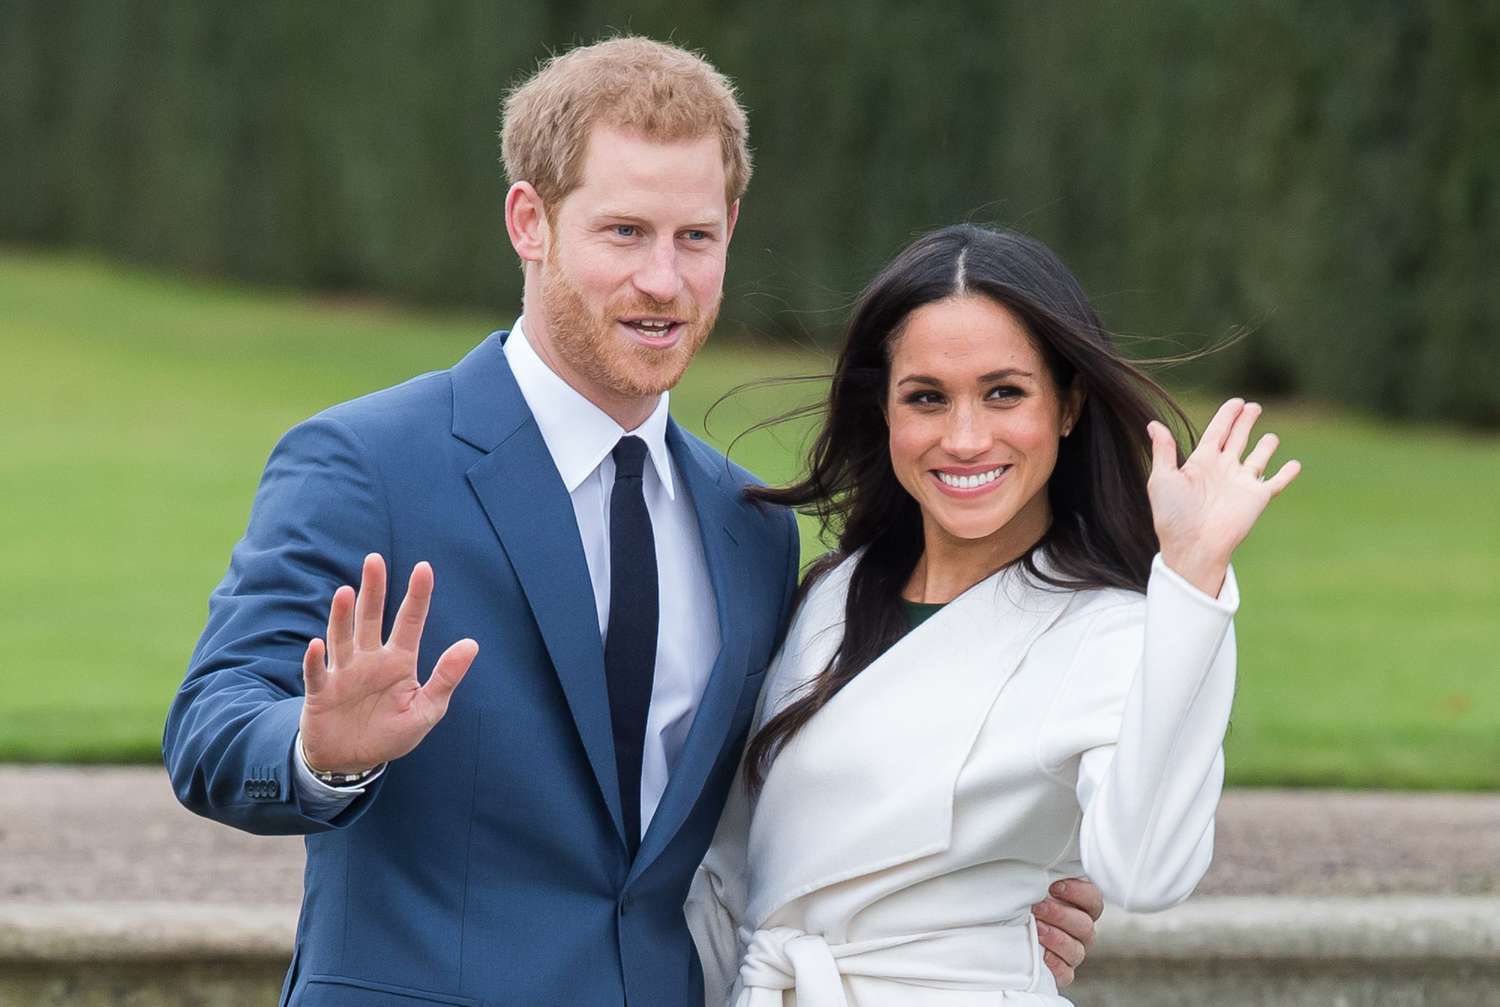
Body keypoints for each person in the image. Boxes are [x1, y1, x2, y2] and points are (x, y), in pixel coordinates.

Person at [161, 41, 1102, 1006]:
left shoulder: (750, 526)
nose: (663, 280)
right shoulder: (367, 463)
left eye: (695, 236)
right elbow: (209, 725)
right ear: (530, 221)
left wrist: (963, 905)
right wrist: (319, 752)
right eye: (624, 232)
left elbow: (770, 819)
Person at [686, 224, 1301, 1006]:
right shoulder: (830, 598)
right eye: (927, 398)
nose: (966, 438)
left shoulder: (1111, 630)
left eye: (1004, 392)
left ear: (1068, 404)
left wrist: (1191, 579)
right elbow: (732, 874)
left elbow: (1147, 871)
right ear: (885, 410)